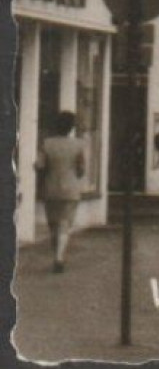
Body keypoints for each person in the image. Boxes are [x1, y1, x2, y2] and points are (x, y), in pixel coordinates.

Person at [36, 111, 86, 272]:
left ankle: (56, 255)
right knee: (65, 224)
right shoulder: (78, 145)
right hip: (71, 190)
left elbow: (40, 166)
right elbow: (81, 170)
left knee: (53, 225)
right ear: (71, 127)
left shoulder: (46, 144)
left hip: (51, 189)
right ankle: (59, 257)